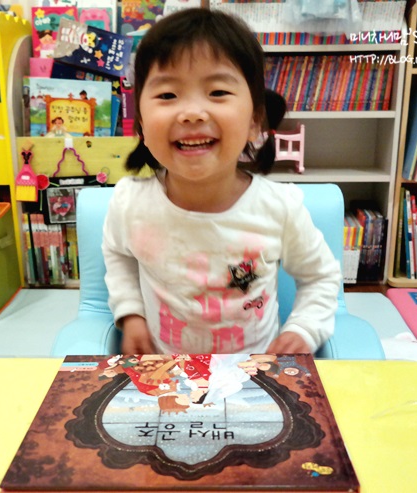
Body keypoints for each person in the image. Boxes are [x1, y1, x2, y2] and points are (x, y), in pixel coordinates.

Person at [102, 8, 341, 355]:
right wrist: (131, 313)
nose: (192, 113)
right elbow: (118, 255)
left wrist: (304, 329)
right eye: (167, 95)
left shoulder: (278, 208)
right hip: (167, 373)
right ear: (140, 122)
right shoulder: (130, 204)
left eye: (217, 92)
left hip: (253, 373)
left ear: (255, 120)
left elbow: (321, 277)